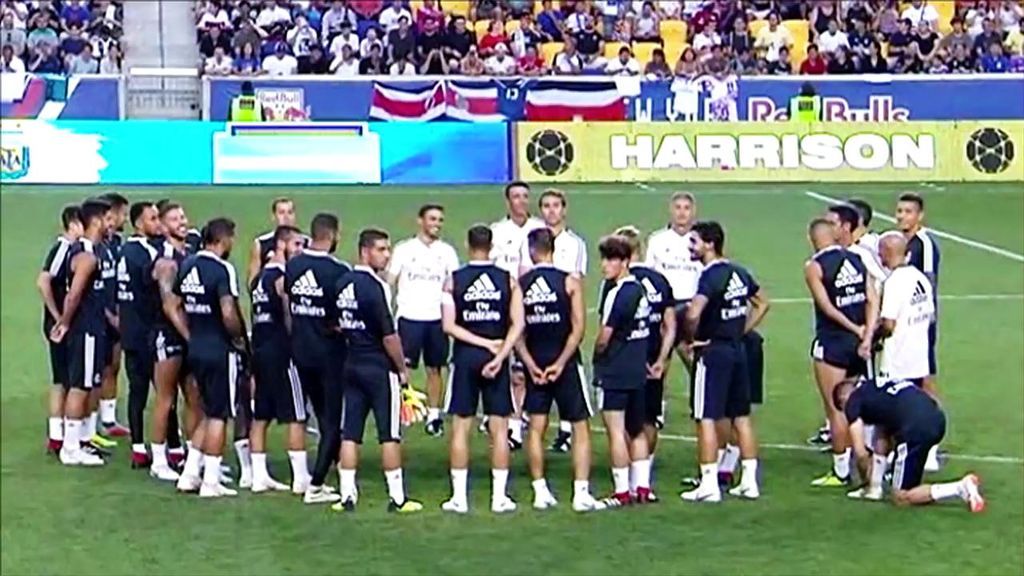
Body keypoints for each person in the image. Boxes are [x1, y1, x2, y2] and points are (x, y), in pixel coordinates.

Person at [333, 229, 423, 513]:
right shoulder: (376, 287)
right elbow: (389, 335)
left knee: (351, 433)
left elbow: (336, 324)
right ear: (365, 251)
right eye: (381, 249)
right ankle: (397, 498)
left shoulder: (342, 282)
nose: (387, 255)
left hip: (351, 364)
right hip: (378, 368)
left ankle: (347, 495)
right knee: (389, 433)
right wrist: (401, 368)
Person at [680, 221, 769, 503]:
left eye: (694, 242)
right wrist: (740, 330)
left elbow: (693, 313)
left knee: (705, 416)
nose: (690, 247)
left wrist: (693, 338)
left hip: (713, 353)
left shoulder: (710, 276)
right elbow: (763, 303)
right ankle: (749, 482)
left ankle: (709, 484)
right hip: (737, 351)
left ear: (709, 244)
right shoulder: (739, 272)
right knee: (741, 417)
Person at [440, 225, 525, 514]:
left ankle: (459, 498)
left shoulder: (454, 280)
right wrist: (500, 353)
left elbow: (449, 326)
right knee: (499, 429)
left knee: (461, 428)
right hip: (497, 360)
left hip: (465, 359)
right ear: (492, 247)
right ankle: (499, 497)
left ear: (468, 244)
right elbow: (518, 324)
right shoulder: (508, 280)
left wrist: (482, 343)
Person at [515, 228, 600, 512]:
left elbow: (517, 331)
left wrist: (530, 364)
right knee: (580, 427)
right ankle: (581, 493)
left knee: (536, 428)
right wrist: (561, 362)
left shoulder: (521, 285)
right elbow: (578, 327)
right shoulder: (570, 282)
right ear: (553, 248)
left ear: (531, 251)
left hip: (535, 363)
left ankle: (540, 491)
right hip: (565, 363)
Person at [173, 218, 247, 498]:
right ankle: (211, 481)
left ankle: (190, 474)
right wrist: (237, 337)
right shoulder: (222, 269)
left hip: (196, 348)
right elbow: (228, 311)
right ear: (223, 239)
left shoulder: (188, 265)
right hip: (219, 349)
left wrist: (190, 331)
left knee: (204, 410)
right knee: (220, 415)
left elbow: (176, 302)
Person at [832, 378, 984, 512]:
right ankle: (876, 489)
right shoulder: (875, 391)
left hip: (914, 430)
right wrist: (874, 486)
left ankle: (959, 487)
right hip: (937, 419)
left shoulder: (852, 402)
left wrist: (864, 481)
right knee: (906, 470)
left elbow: (861, 453)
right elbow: (882, 437)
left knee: (901, 497)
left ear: (843, 400)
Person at [804, 213, 877, 488]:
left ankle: (841, 470)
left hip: (833, 342)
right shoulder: (856, 260)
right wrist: (866, 334)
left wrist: (853, 328)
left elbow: (826, 307)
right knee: (861, 405)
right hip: (859, 345)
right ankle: (870, 464)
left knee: (835, 407)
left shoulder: (815, 266)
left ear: (811, 239)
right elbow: (872, 299)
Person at [285, 212, 351, 504]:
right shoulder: (338, 271)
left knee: (323, 416)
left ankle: (334, 465)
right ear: (333, 235)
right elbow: (342, 317)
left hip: (301, 350)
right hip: (329, 354)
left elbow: (288, 302)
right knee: (333, 420)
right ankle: (317, 484)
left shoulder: (294, 265)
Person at [517, 189, 587, 452]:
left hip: (560, 318)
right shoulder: (530, 239)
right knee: (523, 378)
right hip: (538, 317)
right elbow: (524, 276)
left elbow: (577, 282)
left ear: (564, 209)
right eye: (546, 206)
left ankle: (565, 429)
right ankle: (518, 424)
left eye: (556, 205)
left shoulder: (574, 243)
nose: (551, 211)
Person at [609, 226, 676, 500]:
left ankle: (626, 481)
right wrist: (662, 359)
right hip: (653, 360)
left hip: (625, 360)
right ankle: (643, 479)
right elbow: (670, 326)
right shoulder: (659, 280)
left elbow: (609, 327)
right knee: (648, 419)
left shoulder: (619, 283)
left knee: (621, 421)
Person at [386, 205, 459, 438]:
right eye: (432, 219)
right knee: (402, 367)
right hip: (409, 317)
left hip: (436, 319)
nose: (437, 224)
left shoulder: (447, 252)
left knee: (435, 368)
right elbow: (390, 280)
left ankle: (434, 415)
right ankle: (402, 409)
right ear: (420, 221)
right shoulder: (404, 250)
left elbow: (453, 284)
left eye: (440, 220)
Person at [49, 199, 112, 467]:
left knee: (85, 384)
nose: (111, 224)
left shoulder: (89, 250)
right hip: (85, 329)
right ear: (96, 221)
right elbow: (73, 295)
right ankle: (71, 448)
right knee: (80, 386)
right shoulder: (85, 255)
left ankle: (77, 443)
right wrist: (63, 321)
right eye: (108, 219)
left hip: (91, 328)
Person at [592, 235, 652, 507]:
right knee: (636, 430)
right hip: (637, 368)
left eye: (611, 259)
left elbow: (606, 334)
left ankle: (621, 492)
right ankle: (642, 487)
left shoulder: (618, 292)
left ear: (625, 262)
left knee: (616, 431)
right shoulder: (640, 289)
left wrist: (598, 355)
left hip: (615, 369)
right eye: (604, 259)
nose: (605, 265)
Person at [249, 225, 310, 494]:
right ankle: (300, 478)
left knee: (261, 414)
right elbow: (288, 315)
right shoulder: (282, 278)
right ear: (282, 245)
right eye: (296, 244)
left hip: (261, 349)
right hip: (282, 352)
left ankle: (258, 476)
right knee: (296, 414)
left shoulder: (260, 278)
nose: (300, 250)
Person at [489, 182, 544, 449]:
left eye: (524, 196)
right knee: (506, 365)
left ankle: (520, 421)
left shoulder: (539, 230)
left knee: (526, 366)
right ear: (508, 201)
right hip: (503, 305)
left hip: (534, 305)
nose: (521, 201)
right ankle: (509, 422)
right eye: (515, 197)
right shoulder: (497, 232)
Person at [116, 201, 165, 468]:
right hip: (148, 331)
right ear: (139, 224)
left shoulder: (124, 250)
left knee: (138, 390)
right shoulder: (144, 251)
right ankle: (168, 448)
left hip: (129, 330)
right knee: (163, 392)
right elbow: (156, 282)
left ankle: (138, 447)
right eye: (153, 219)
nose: (158, 223)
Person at [151, 203, 195, 482]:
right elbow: (169, 305)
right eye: (175, 219)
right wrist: (191, 337)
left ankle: (194, 459)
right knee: (166, 398)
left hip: (189, 334)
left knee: (195, 398)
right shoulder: (165, 259)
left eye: (183, 217)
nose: (182, 222)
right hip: (167, 335)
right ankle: (159, 461)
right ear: (164, 226)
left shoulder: (188, 254)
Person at [39, 205, 82, 456]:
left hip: (64, 324)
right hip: (59, 326)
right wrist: (58, 317)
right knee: (62, 380)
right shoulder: (63, 248)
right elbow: (43, 281)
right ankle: (56, 436)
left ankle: (60, 434)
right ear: (74, 224)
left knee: (65, 378)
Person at [895, 194, 940, 403]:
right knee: (907, 374)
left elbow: (929, 281)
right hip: (905, 318)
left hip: (920, 320)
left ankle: (935, 422)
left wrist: (926, 319)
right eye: (899, 211)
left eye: (908, 212)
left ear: (920, 215)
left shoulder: (925, 244)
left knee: (924, 376)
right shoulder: (904, 242)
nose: (902, 216)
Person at [98, 192, 129, 440]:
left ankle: (108, 419)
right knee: (97, 369)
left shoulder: (118, 243)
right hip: (100, 316)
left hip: (118, 314)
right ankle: (86, 423)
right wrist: (108, 314)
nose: (124, 219)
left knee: (113, 366)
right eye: (122, 214)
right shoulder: (96, 245)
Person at [249, 197, 306, 284]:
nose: (286, 217)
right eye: (281, 213)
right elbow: (253, 279)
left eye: (290, 212)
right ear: (273, 216)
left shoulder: (307, 242)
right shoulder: (261, 243)